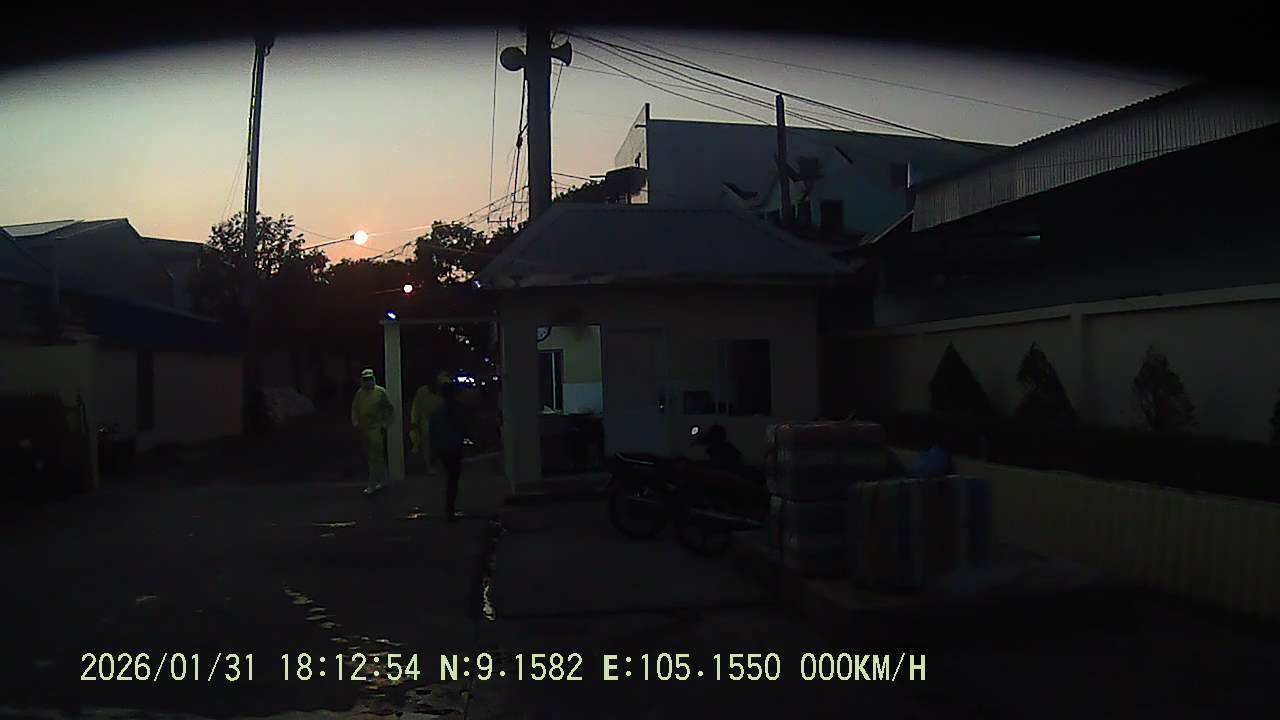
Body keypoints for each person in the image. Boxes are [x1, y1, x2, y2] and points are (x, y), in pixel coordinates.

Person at [429, 381, 471, 521]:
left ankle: (449, 507)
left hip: (444, 447)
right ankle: (450, 508)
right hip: (454, 446)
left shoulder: (438, 411)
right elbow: (464, 427)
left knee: (451, 476)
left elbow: (433, 432)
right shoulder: (458, 409)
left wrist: (433, 451)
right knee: (453, 477)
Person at [351, 368, 394, 496]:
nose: (368, 381)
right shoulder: (359, 393)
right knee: (375, 457)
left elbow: (389, 408)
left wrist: (385, 423)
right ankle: (384, 479)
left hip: (375, 428)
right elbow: (355, 408)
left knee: (374, 457)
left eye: (370, 379)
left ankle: (372, 484)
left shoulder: (380, 392)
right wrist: (355, 421)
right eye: (365, 379)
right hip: (363, 429)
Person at [409, 371, 450, 477]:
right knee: (427, 443)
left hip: (442, 420)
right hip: (426, 419)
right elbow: (416, 408)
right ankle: (429, 466)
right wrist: (414, 423)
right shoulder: (422, 391)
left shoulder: (446, 391)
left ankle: (442, 464)